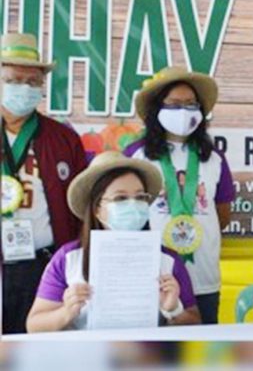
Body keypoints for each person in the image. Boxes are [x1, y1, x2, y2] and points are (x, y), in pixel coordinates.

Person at [25, 151, 200, 332]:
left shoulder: (167, 259)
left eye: (140, 197)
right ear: (97, 209)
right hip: (84, 356)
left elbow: (195, 321)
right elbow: (34, 325)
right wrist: (65, 312)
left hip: (147, 356)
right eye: (120, 198)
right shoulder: (68, 258)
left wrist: (173, 309)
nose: (133, 205)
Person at [124, 66, 235, 324]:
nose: (183, 112)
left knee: (199, 356)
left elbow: (223, 215)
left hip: (203, 276)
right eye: (173, 105)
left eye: (190, 104)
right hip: (153, 277)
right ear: (156, 110)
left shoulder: (214, 158)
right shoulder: (136, 155)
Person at [1, 33, 88, 334]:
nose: (23, 88)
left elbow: (82, 204)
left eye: (32, 82)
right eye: (14, 79)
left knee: (39, 352)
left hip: (45, 266)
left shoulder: (64, 139)